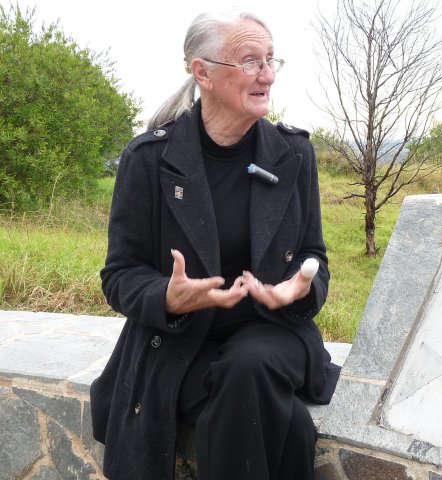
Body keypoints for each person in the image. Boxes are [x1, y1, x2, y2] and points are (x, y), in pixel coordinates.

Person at [89, 10, 339, 480]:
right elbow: (120, 274)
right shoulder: (149, 160)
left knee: (249, 364)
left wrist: (299, 288)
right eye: (250, 61)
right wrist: (166, 296)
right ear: (202, 71)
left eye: (271, 60)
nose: (267, 75)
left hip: (274, 331)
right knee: (283, 419)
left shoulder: (294, 155)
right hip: (181, 344)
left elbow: (315, 258)